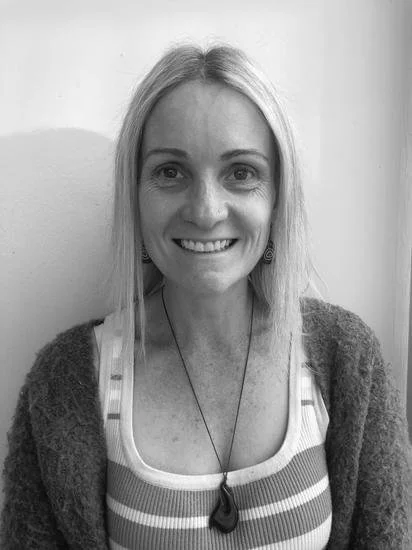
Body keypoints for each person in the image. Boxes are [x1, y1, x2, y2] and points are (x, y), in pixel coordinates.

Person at [1, 43, 411, 550]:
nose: (205, 210)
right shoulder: (68, 380)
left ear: (278, 197)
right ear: (135, 195)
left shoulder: (345, 358)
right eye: (170, 172)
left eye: (241, 172)